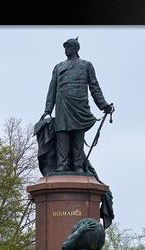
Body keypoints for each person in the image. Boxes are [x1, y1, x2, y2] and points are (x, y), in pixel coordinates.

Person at [41, 37, 114, 173]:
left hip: (79, 106)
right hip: (63, 106)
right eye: (65, 47)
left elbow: (94, 87)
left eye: (68, 47)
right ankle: (62, 165)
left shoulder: (86, 65)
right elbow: (52, 90)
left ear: (76, 48)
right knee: (62, 135)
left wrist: (103, 105)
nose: (66, 50)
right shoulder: (58, 67)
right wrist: (48, 110)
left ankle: (78, 166)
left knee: (77, 137)